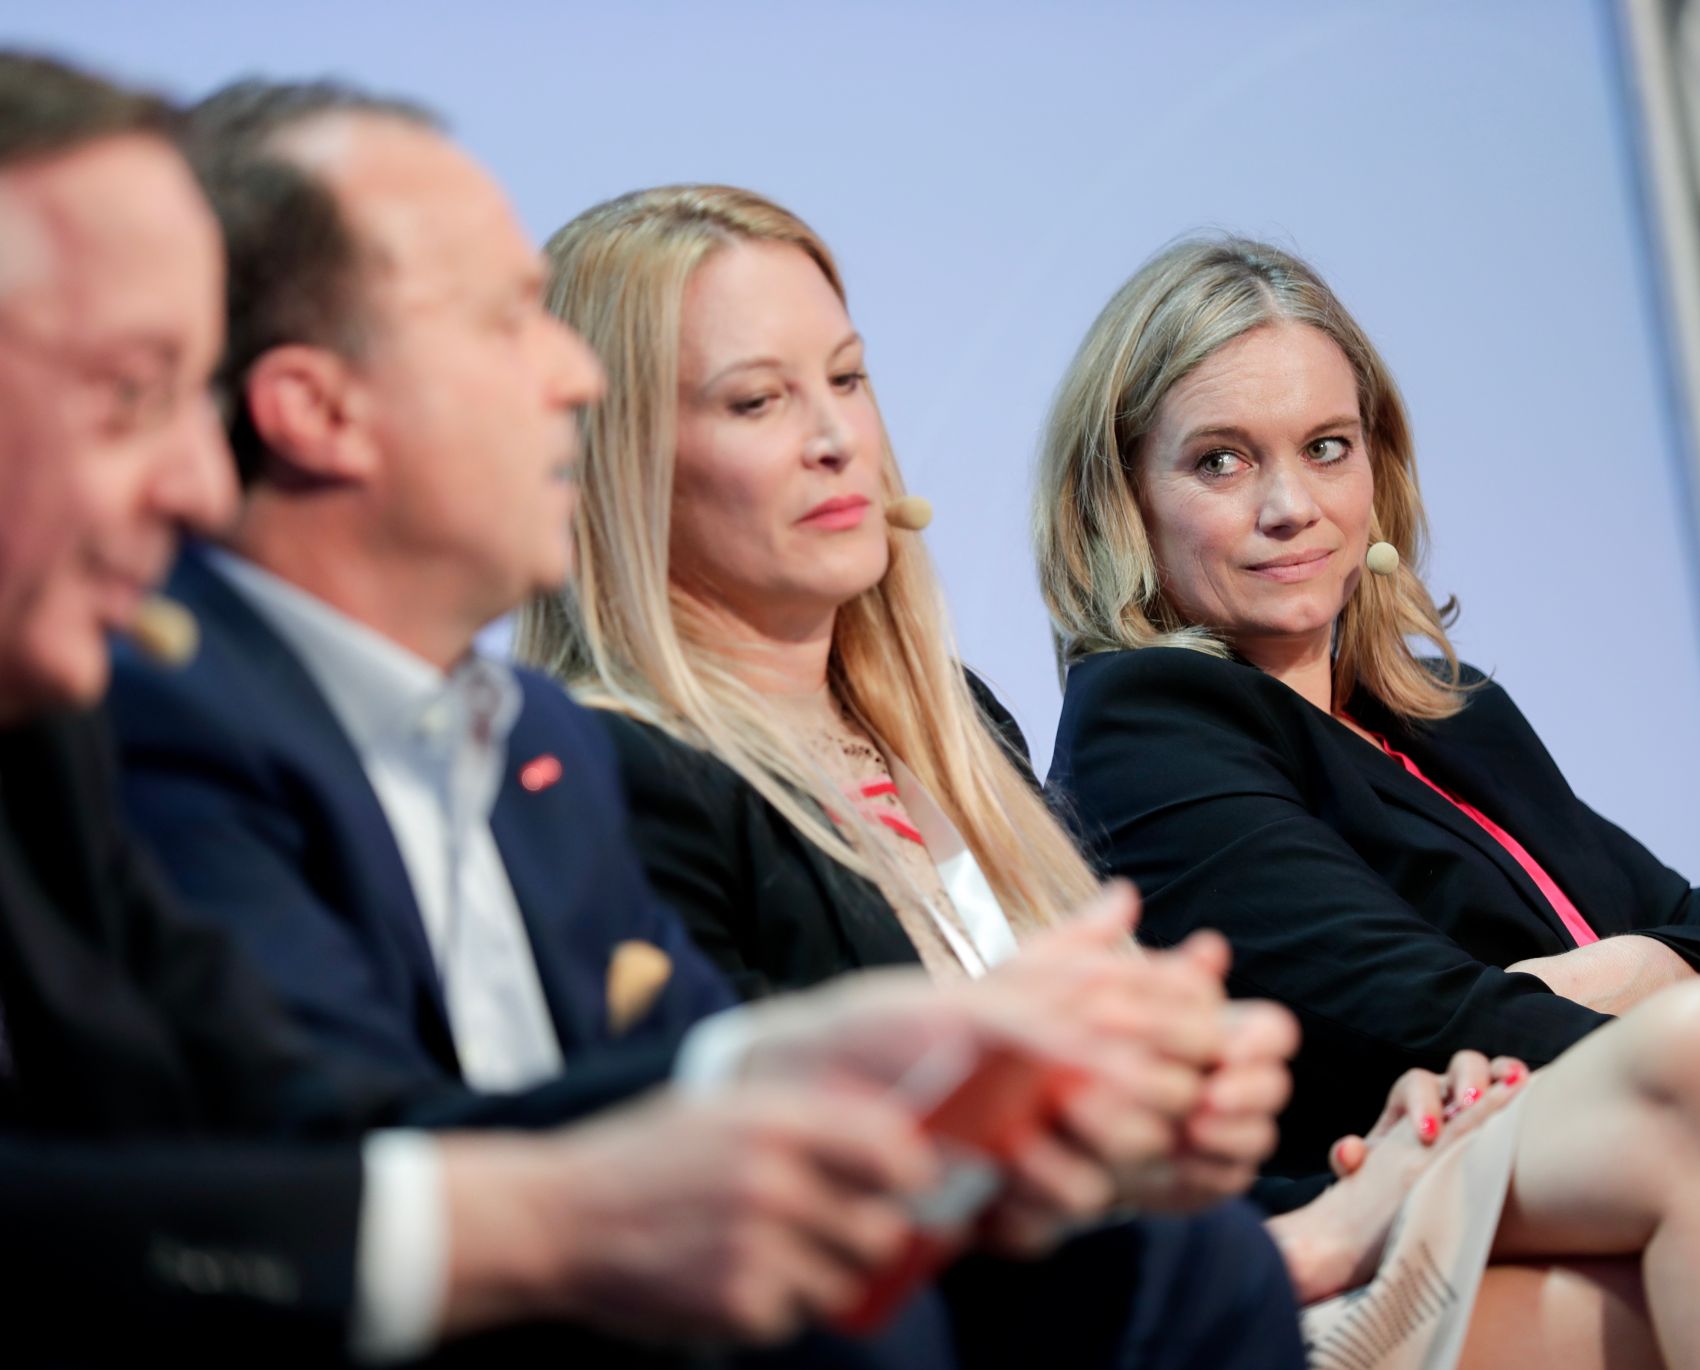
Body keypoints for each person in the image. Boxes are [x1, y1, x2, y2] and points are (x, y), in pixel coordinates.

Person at [0, 54, 1260, 1368]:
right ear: (315, 409)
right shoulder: (149, 709)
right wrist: (594, 1200)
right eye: (131, 390)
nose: (575, 381)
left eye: (847, 379)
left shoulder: (533, 741)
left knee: (1174, 1259)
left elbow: (664, 1088)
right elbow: (313, 1142)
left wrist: (900, 1067)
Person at [523, 187, 1700, 1368]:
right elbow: (771, 1216)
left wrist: (1328, 1192)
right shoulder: (621, 779)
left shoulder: (955, 725)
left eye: (848, 377)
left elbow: (1145, 1162)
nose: (838, 434)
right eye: (756, 401)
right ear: (620, 454)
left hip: (1194, 1265)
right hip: (1057, 1327)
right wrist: (1312, 1224)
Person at [1036, 233, 1700, 1186]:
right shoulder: (1148, 728)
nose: (1291, 504)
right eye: (1222, 462)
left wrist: (1629, 970)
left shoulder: (1450, 709)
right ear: (1122, 499)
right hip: (1386, 1239)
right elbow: (1429, 1028)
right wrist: (1673, 997)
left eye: (1326, 448)